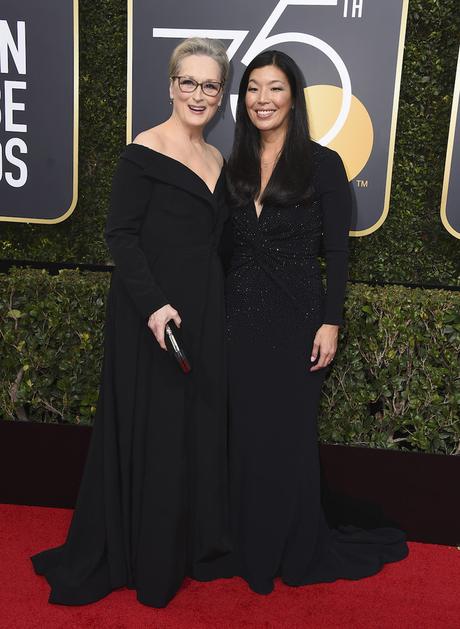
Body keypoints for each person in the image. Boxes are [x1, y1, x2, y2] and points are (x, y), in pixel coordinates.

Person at [32, 38, 231, 608]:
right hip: (155, 316)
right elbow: (119, 234)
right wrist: (153, 306)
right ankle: (147, 556)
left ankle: (186, 543)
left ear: (221, 96)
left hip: (205, 311)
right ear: (170, 86)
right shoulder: (144, 150)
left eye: (209, 85)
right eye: (188, 82)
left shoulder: (217, 159)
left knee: (191, 430)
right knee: (158, 430)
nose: (198, 94)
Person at [225, 50, 408, 595]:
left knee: (287, 438)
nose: (263, 99)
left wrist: (331, 323)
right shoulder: (229, 162)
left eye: (275, 88)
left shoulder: (323, 163)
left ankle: (294, 545)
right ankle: (248, 543)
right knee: (245, 437)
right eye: (253, 88)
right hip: (237, 318)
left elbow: (337, 250)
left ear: (293, 97)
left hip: (297, 318)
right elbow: (217, 247)